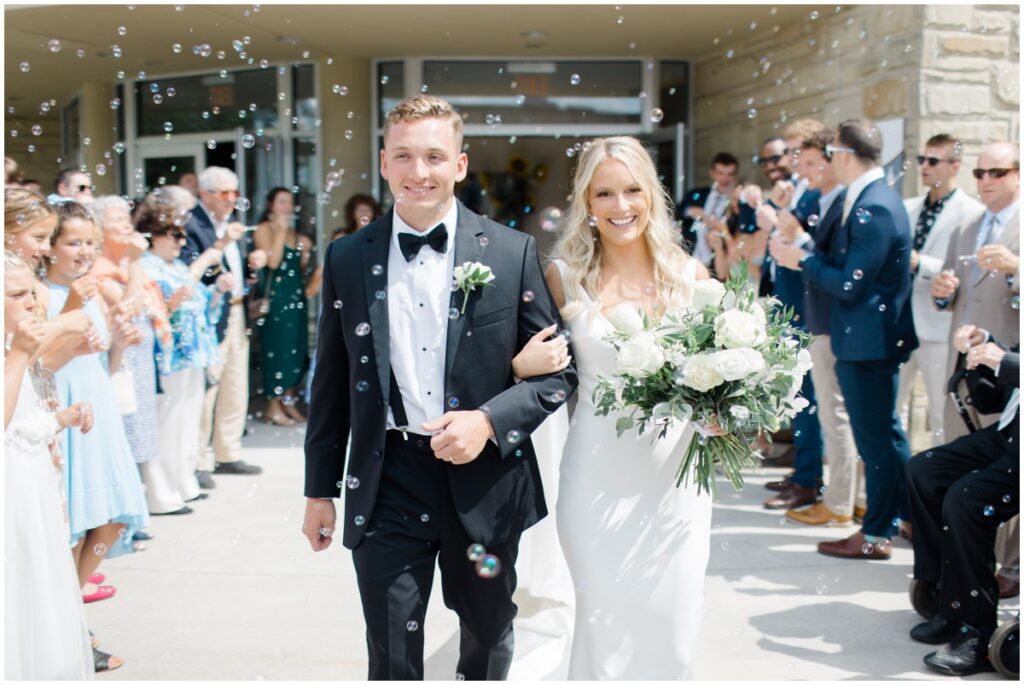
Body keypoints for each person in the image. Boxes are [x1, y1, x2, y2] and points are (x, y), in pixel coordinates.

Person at [302, 95, 578, 681]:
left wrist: (489, 419)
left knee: (486, 638)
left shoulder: (511, 251)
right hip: (387, 478)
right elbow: (330, 382)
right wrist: (319, 488)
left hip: (485, 480)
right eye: (404, 155)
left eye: (434, 156)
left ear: (459, 164)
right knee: (391, 648)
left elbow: (559, 370)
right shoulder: (348, 257)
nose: (418, 171)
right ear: (383, 162)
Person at [523, 136, 713, 679]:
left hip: (676, 486)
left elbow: (716, 384)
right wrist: (522, 367)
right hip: (596, 481)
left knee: (672, 637)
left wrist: (725, 416)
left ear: (651, 194)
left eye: (632, 190)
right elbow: (527, 367)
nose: (620, 206)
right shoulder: (562, 277)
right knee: (604, 636)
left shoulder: (691, 278)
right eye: (604, 193)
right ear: (586, 201)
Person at [771, 119, 918, 559]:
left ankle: (875, 536)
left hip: (867, 342)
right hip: (867, 338)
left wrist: (802, 261)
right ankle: (901, 518)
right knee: (885, 436)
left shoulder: (873, 205)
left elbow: (852, 285)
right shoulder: (873, 197)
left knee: (876, 440)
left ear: (846, 154)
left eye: (832, 152)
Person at [42, 202, 149, 670]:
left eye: (90, 241)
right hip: (65, 409)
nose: (84, 251)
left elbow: (102, 363)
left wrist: (122, 342)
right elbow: (39, 363)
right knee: (70, 527)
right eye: (73, 242)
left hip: (98, 407)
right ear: (49, 247)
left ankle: (65, 607)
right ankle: (68, 628)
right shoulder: (38, 294)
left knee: (114, 518)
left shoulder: (94, 294)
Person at [931, 141, 1020, 594]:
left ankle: (1011, 569)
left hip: (1011, 369)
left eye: (997, 172)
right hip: (968, 366)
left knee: (1009, 471)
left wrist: (1017, 266)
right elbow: (949, 292)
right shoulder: (966, 226)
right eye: (980, 173)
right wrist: (942, 291)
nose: (986, 181)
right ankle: (967, 569)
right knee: (961, 467)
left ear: (1018, 174)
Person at [905, 325, 1018, 676]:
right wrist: (986, 347)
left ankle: (977, 632)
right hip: (1011, 432)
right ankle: (947, 599)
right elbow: (997, 394)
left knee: (966, 499)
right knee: (924, 471)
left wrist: (1009, 362)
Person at [4, 251, 95, 679]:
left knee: (36, 582)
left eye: (30, 291)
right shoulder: (13, 350)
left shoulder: (11, 344)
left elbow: (20, 422)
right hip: (9, 488)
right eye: (17, 294)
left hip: (30, 480)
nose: (30, 302)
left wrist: (60, 419)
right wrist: (20, 355)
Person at [774, 129, 863, 528]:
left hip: (832, 320)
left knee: (835, 413)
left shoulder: (844, 200)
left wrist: (799, 241)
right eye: (799, 161)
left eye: (810, 162)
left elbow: (835, 262)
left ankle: (842, 502)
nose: (802, 169)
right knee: (831, 411)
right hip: (819, 316)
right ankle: (849, 499)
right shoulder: (822, 198)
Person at [754, 121, 827, 512]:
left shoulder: (818, 194)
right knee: (797, 394)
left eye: (797, 152)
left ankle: (808, 477)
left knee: (809, 397)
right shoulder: (795, 191)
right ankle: (803, 469)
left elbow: (811, 247)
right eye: (792, 152)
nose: (793, 160)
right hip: (787, 302)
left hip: (807, 306)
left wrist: (779, 218)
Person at [139, 204, 228, 515]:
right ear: (153, 235)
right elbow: (151, 312)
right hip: (169, 357)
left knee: (187, 422)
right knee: (167, 424)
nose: (180, 241)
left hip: (193, 354)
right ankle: (161, 494)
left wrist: (216, 290)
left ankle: (183, 483)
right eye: (174, 234)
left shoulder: (174, 265)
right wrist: (172, 302)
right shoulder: (146, 266)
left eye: (182, 235)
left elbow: (201, 305)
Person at [898, 135, 985, 447]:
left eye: (933, 161)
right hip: (900, 323)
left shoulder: (970, 212)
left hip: (939, 327)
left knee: (940, 411)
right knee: (894, 409)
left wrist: (921, 263)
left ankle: (932, 489)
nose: (924, 166)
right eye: (922, 159)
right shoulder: (907, 208)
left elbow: (967, 268)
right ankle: (896, 485)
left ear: (954, 167)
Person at [183, 167, 268, 486]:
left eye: (235, 193)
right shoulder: (193, 224)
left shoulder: (229, 226)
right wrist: (220, 242)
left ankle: (227, 453)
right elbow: (193, 272)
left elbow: (234, 273)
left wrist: (252, 268)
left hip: (235, 313)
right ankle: (199, 459)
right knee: (209, 389)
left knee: (235, 385)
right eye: (225, 193)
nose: (233, 199)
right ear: (205, 195)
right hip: (209, 317)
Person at [252, 187, 311, 425]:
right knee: (277, 352)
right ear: (271, 206)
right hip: (276, 301)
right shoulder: (264, 229)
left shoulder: (295, 233)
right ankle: (272, 405)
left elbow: (298, 270)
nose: (287, 207)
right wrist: (280, 232)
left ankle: (288, 401)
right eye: (282, 202)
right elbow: (274, 262)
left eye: (290, 203)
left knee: (295, 352)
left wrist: (304, 252)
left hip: (295, 298)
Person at [677, 152, 739, 266]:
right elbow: (676, 212)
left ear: (735, 176)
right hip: (688, 260)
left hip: (718, 266)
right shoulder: (696, 194)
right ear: (712, 173)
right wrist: (690, 210)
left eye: (730, 174)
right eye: (720, 173)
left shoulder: (736, 203)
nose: (725, 179)